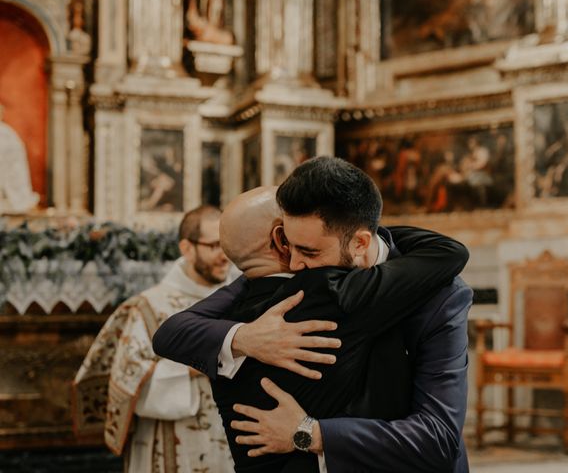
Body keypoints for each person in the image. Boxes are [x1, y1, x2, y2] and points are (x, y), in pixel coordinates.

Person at [154, 157, 473, 472]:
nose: (293, 263)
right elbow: (173, 331)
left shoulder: (441, 296)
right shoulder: (290, 277)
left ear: (361, 241)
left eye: (308, 251)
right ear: (280, 241)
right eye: (289, 247)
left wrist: (309, 432)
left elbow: (439, 439)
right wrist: (246, 338)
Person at [72, 206, 235, 473]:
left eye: (227, 245)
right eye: (214, 245)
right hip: (170, 441)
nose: (224, 256)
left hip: (227, 443)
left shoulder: (241, 300)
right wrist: (191, 367)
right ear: (187, 248)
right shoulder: (149, 307)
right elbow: (128, 376)